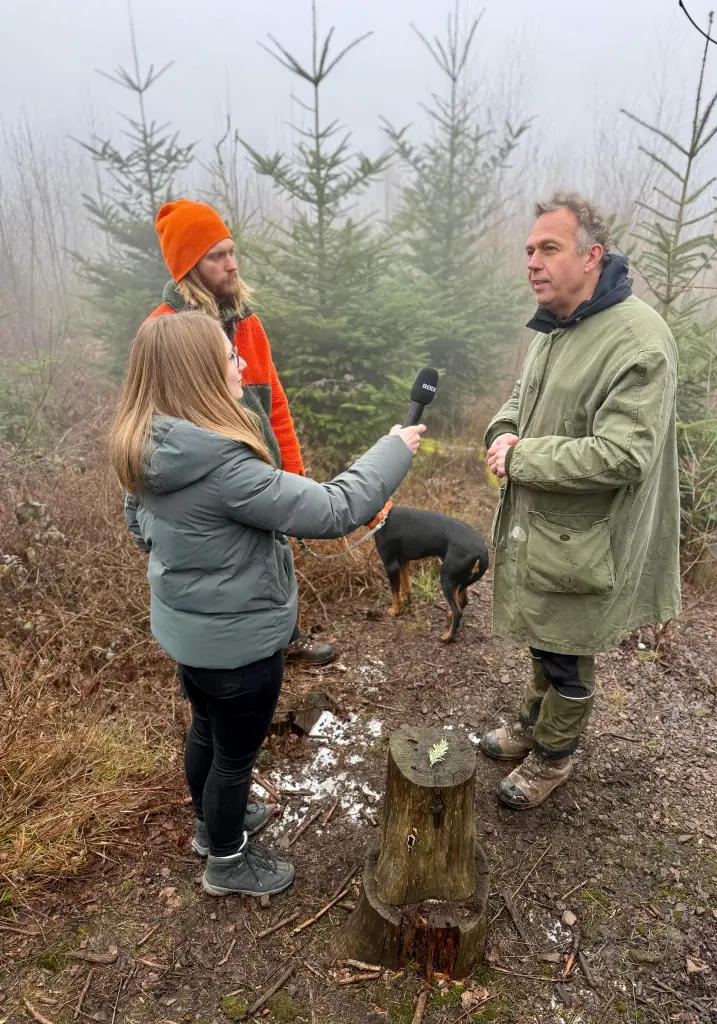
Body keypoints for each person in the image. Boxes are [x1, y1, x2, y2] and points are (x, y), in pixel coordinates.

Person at [110, 310, 425, 896]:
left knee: (206, 729)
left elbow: (141, 529)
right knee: (234, 758)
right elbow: (334, 510)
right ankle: (227, 862)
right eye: (231, 357)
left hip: (191, 639)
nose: (243, 364)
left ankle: (211, 827)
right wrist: (393, 449)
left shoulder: (145, 447)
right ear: (201, 372)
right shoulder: (225, 467)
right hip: (241, 647)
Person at [480, 192, 681, 810]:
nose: (532, 263)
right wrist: (502, 431)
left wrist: (523, 458)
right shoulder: (554, 327)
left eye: (548, 249)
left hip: (588, 538)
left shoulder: (637, 340)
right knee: (545, 633)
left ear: (593, 255)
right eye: (529, 251)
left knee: (567, 651)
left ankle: (555, 755)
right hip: (543, 530)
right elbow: (521, 400)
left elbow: (625, 455)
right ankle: (532, 723)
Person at [147, 198, 334, 666]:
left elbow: (278, 412)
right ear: (190, 266)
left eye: (232, 251)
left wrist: (296, 478)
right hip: (205, 495)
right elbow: (148, 429)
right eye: (217, 256)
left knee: (275, 557)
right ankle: (220, 664)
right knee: (222, 582)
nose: (232, 264)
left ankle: (284, 637)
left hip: (258, 476)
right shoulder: (162, 332)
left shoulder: (248, 325)